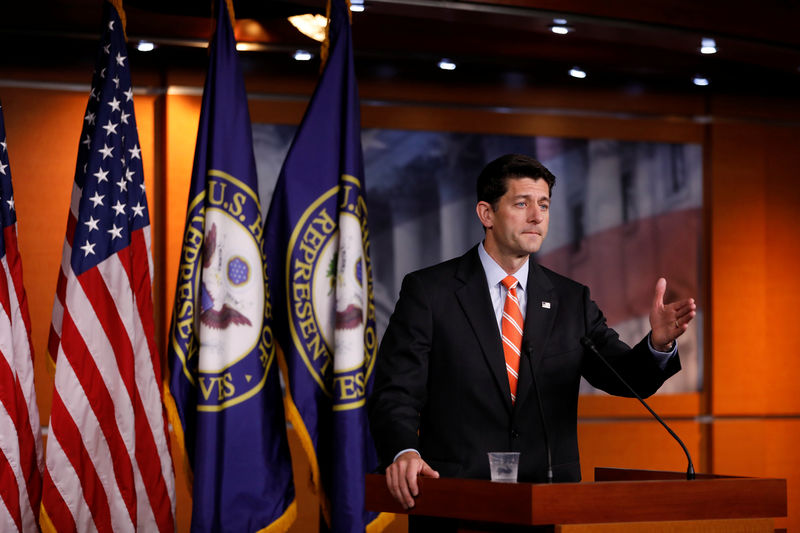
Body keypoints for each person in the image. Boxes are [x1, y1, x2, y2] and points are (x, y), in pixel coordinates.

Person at [367, 153, 696, 517]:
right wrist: (403, 452)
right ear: (486, 214)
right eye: (521, 203)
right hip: (456, 499)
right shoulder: (430, 292)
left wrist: (658, 343)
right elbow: (395, 393)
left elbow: (626, 377)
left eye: (544, 205)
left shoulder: (571, 300)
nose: (537, 217)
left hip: (549, 503)